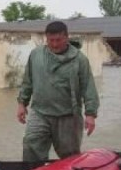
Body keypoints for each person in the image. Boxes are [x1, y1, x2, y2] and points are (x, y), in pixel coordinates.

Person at [16, 20, 99, 162]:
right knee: (31, 144)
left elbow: (88, 88)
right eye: (51, 40)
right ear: (46, 39)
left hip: (68, 116)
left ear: (67, 38)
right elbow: (27, 81)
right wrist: (22, 103)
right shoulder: (36, 55)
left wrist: (90, 114)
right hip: (40, 112)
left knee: (70, 155)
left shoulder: (80, 60)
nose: (54, 44)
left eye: (58, 40)